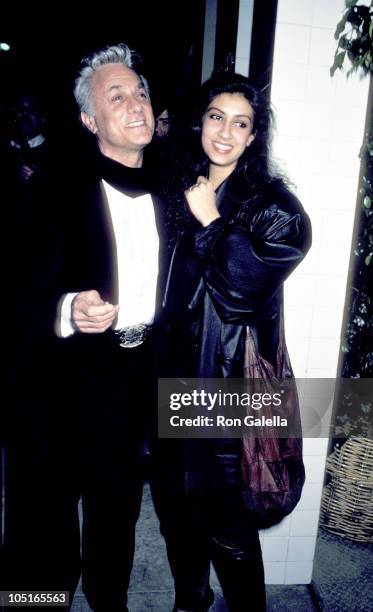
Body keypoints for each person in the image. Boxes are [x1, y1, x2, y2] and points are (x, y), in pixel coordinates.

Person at [3, 43, 165, 611]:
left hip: (136, 377)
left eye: (140, 91)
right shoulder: (54, 186)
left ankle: (109, 600)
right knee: (44, 513)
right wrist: (66, 308)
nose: (136, 104)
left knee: (116, 509)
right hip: (62, 381)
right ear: (89, 120)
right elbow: (15, 284)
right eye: (116, 96)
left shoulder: (177, 187)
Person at [152, 73, 312, 611]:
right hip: (172, 374)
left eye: (240, 123)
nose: (225, 131)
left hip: (227, 387)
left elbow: (242, 291)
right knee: (175, 511)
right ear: (202, 121)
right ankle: (189, 602)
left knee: (227, 524)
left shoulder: (277, 210)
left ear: (253, 137)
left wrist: (212, 221)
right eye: (217, 116)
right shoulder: (181, 184)